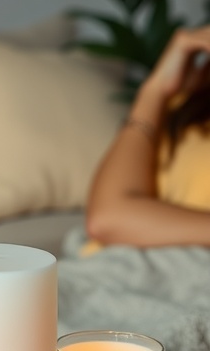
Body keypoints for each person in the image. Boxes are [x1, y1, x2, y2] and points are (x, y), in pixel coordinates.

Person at [85, 25, 210, 248]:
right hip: (113, 265)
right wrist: (156, 89)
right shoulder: (184, 108)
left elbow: (109, 220)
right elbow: (107, 215)